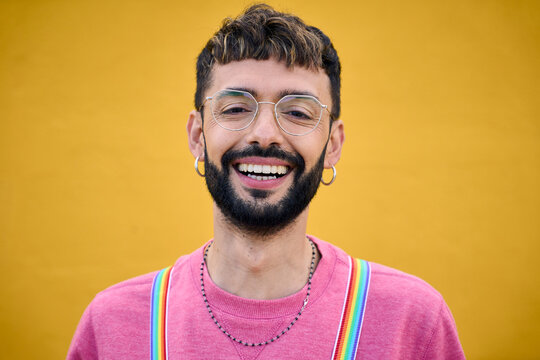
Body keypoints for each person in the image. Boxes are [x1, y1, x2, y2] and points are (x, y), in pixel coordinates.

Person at [67, 4, 465, 359]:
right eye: (236, 108)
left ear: (333, 145)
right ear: (197, 136)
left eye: (298, 112)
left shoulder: (411, 322)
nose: (265, 134)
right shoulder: (113, 324)